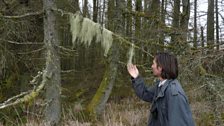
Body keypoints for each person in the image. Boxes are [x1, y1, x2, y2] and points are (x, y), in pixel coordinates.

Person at [127, 52, 195, 126]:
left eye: (154, 64)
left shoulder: (174, 94)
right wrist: (136, 77)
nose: (152, 66)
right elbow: (145, 94)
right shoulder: (162, 86)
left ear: (160, 68)